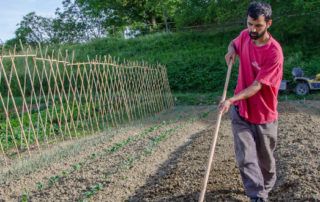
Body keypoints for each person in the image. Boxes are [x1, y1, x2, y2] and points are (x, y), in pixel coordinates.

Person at [219, 1, 283, 202]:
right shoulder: (245, 36)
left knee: (266, 161)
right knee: (246, 158)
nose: (252, 30)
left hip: (264, 114)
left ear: (268, 24)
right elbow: (233, 42)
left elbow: (257, 86)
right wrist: (231, 51)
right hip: (241, 111)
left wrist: (231, 98)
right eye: (249, 24)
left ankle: (267, 185)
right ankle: (258, 196)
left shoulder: (274, 52)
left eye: (258, 25)